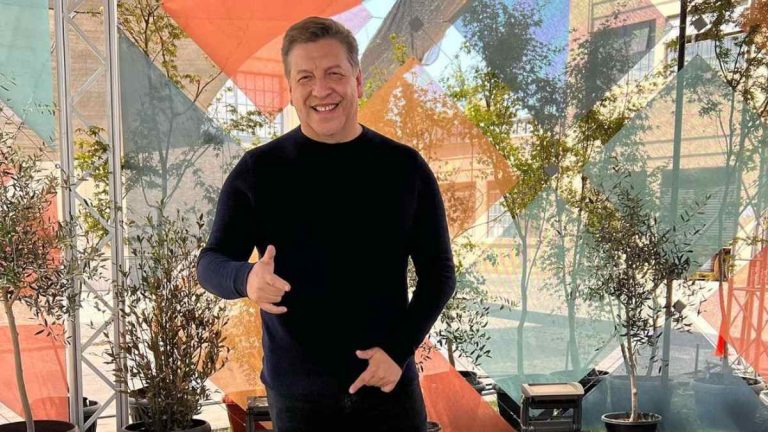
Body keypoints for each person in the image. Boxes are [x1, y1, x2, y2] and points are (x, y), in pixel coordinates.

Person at [197, 16, 456, 432]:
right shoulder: (259, 172)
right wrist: (246, 279)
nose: (321, 89)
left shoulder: (404, 168)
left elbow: (439, 274)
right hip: (299, 401)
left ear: (358, 80)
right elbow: (210, 263)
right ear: (291, 89)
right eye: (306, 77)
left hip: (389, 390)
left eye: (334, 73)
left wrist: (398, 350)